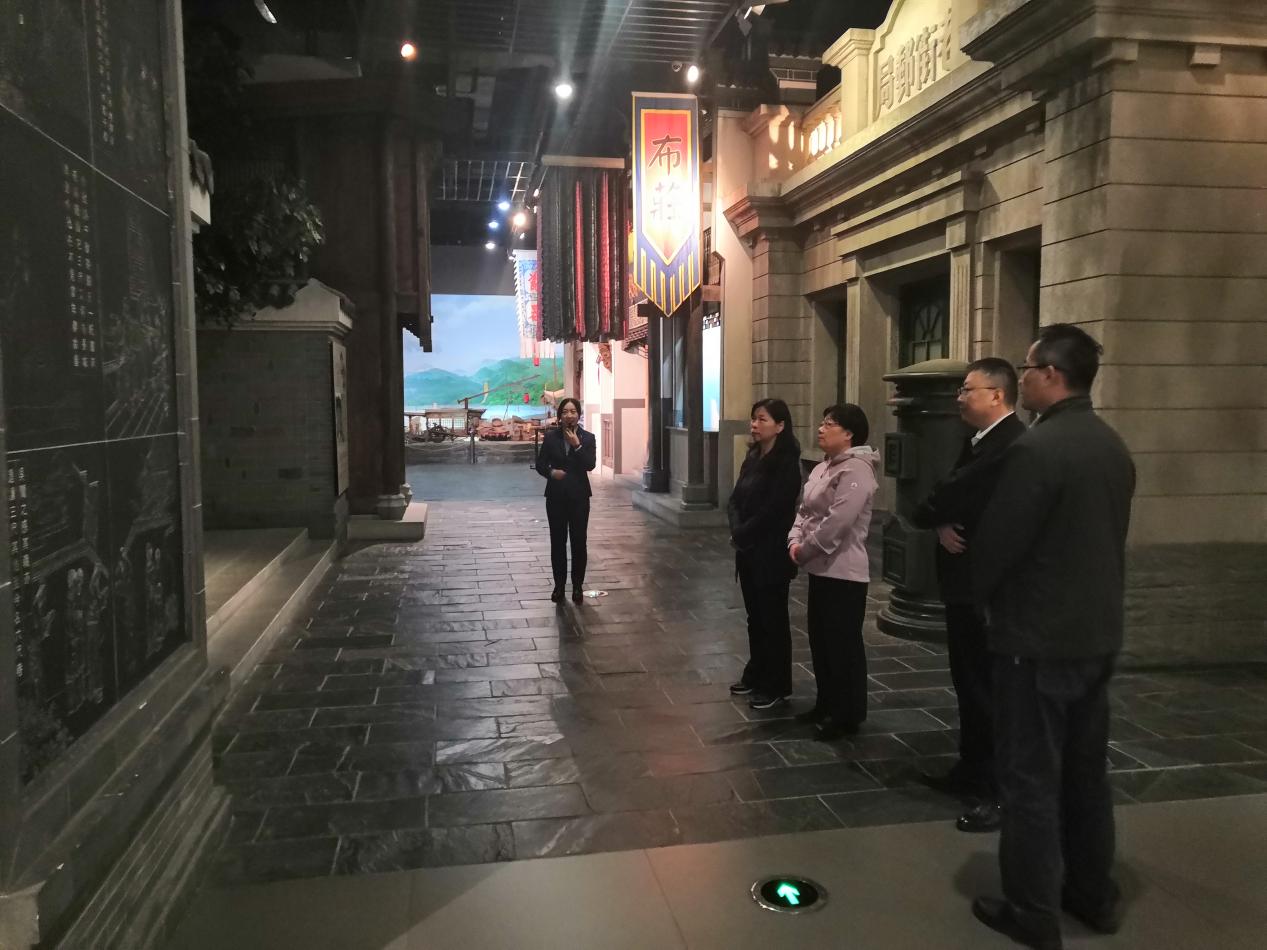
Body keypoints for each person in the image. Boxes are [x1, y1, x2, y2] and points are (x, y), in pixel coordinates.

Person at [970, 324, 1135, 950]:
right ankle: (1093, 895)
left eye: (1029, 368)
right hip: (1096, 634)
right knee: (1086, 774)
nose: (1024, 377)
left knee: (1030, 779)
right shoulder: (1111, 445)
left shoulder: (1037, 449)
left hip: (1036, 641)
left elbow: (999, 546)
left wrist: (981, 598)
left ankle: (1033, 911)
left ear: (1052, 375)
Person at [911, 358, 1026, 833]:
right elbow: (946, 497)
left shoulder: (1009, 443)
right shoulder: (978, 439)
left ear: (997, 395)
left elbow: (945, 495)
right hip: (964, 585)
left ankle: (995, 787)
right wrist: (940, 517)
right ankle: (971, 768)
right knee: (968, 682)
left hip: (986, 587)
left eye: (967, 390)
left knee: (988, 690)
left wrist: (934, 513)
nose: (959, 398)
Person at [788, 404, 879, 741]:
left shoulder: (857, 470)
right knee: (822, 641)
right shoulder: (822, 467)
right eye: (822, 422)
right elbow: (804, 511)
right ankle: (825, 703)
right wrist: (793, 539)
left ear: (849, 433)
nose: (821, 429)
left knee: (843, 645)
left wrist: (804, 549)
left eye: (829, 424)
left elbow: (837, 523)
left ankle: (847, 714)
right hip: (819, 568)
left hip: (844, 571)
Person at [726, 399, 803, 711]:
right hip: (747, 549)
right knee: (754, 617)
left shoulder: (787, 465)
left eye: (762, 419)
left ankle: (777, 684)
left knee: (773, 619)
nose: (754, 425)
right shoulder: (753, 457)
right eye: (753, 419)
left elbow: (775, 511)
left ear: (780, 426)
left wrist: (743, 533)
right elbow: (734, 500)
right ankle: (756, 673)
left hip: (770, 552)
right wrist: (737, 530)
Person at [535, 397, 597, 604]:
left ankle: (577, 587)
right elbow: (540, 464)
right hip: (556, 496)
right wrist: (551, 473)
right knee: (558, 542)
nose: (569, 415)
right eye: (565, 412)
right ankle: (559, 586)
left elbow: (590, 465)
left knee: (579, 542)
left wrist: (577, 446)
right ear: (559, 416)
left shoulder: (588, 438)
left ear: (579, 415)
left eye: (573, 411)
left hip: (579, 497)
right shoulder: (551, 437)